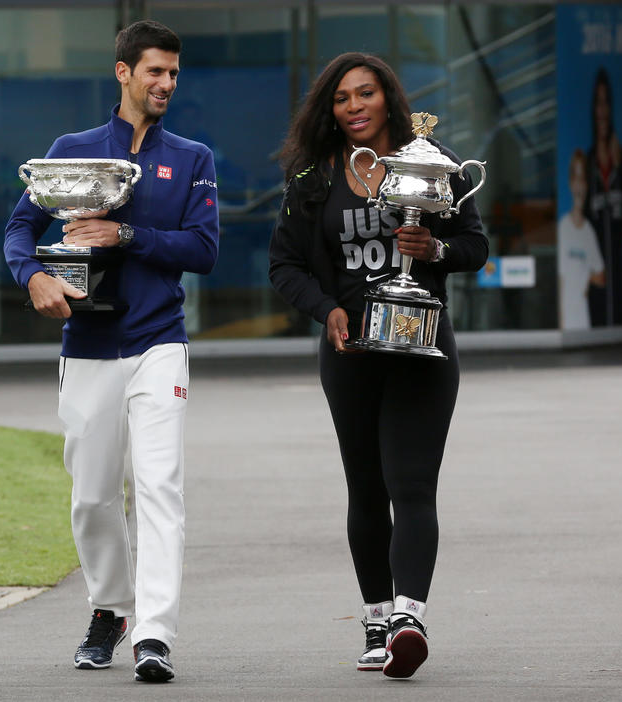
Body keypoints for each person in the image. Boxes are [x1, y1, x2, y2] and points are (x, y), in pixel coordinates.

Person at [3, 20, 219, 683]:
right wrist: (34, 276)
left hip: (159, 343)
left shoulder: (192, 158)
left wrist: (124, 232)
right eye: (155, 71)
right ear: (123, 72)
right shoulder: (72, 151)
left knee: (159, 488)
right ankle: (110, 609)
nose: (166, 83)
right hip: (88, 346)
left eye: (174, 73)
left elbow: (203, 249)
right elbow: (20, 226)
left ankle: (153, 634)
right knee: (93, 497)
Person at [268, 52, 488, 679]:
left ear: (389, 99)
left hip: (423, 347)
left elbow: (476, 245)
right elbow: (284, 265)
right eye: (342, 99)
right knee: (366, 489)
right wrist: (327, 310)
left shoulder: (430, 161)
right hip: (351, 352)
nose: (355, 106)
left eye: (365, 94)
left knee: (413, 485)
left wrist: (435, 248)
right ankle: (375, 614)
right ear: (330, 111)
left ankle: (408, 618)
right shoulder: (313, 178)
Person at [584, 67, 622, 327]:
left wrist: (620, 168)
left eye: (607, 103)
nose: (602, 110)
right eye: (598, 103)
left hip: (618, 271)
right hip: (594, 271)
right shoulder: (588, 161)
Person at [558, 149, 605, 330]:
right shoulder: (563, 228)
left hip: (583, 321)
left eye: (583, 179)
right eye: (575, 178)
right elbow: (560, 279)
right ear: (570, 183)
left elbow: (600, 276)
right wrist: (560, 321)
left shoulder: (588, 232)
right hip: (565, 321)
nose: (579, 186)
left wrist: (585, 275)